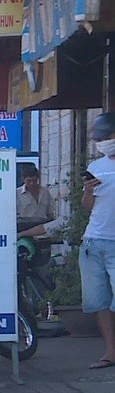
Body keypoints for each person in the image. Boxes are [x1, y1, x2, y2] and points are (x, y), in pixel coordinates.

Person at [81, 112, 115, 370]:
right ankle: (110, 353)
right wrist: (88, 191)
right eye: (98, 139)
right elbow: (87, 207)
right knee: (99, 301)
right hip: (94, 241)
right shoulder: (96, 167)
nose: (102, 142)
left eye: (105, 137)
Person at [16, 166, 58, 238]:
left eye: (34, 181)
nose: (32, 183)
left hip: (41, 226)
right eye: (29, 181)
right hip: (24, 225)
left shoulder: (45, 191)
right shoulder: (17, 193)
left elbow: (50, 211)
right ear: (23, 179)